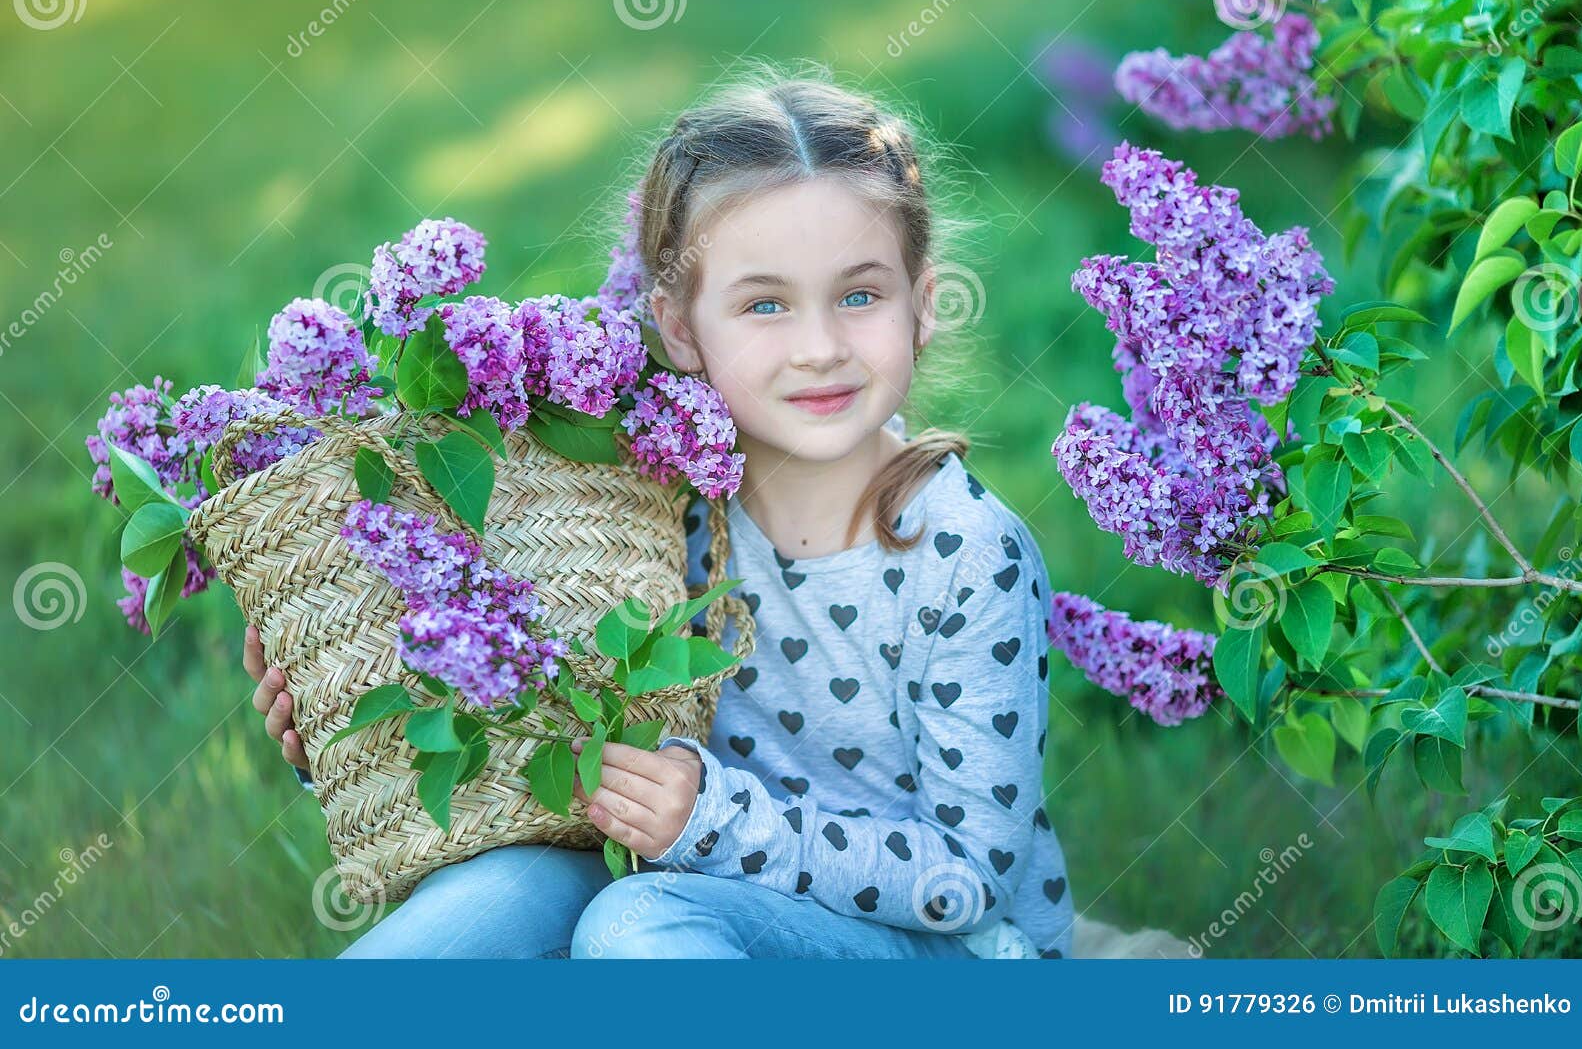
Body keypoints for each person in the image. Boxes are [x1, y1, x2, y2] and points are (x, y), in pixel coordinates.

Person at [242, 64, 1074, 959]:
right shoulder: (650, 503)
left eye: (860, 295)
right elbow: (544, 741)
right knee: (484, 904)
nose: (822, 346)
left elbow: (968, 876)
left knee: (637, 924)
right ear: (679, 327)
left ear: (924, 308)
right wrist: (349, 717)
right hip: (712, 880)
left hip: (944, 953)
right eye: (764, 304)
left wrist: (712, 819)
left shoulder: (963, 553)